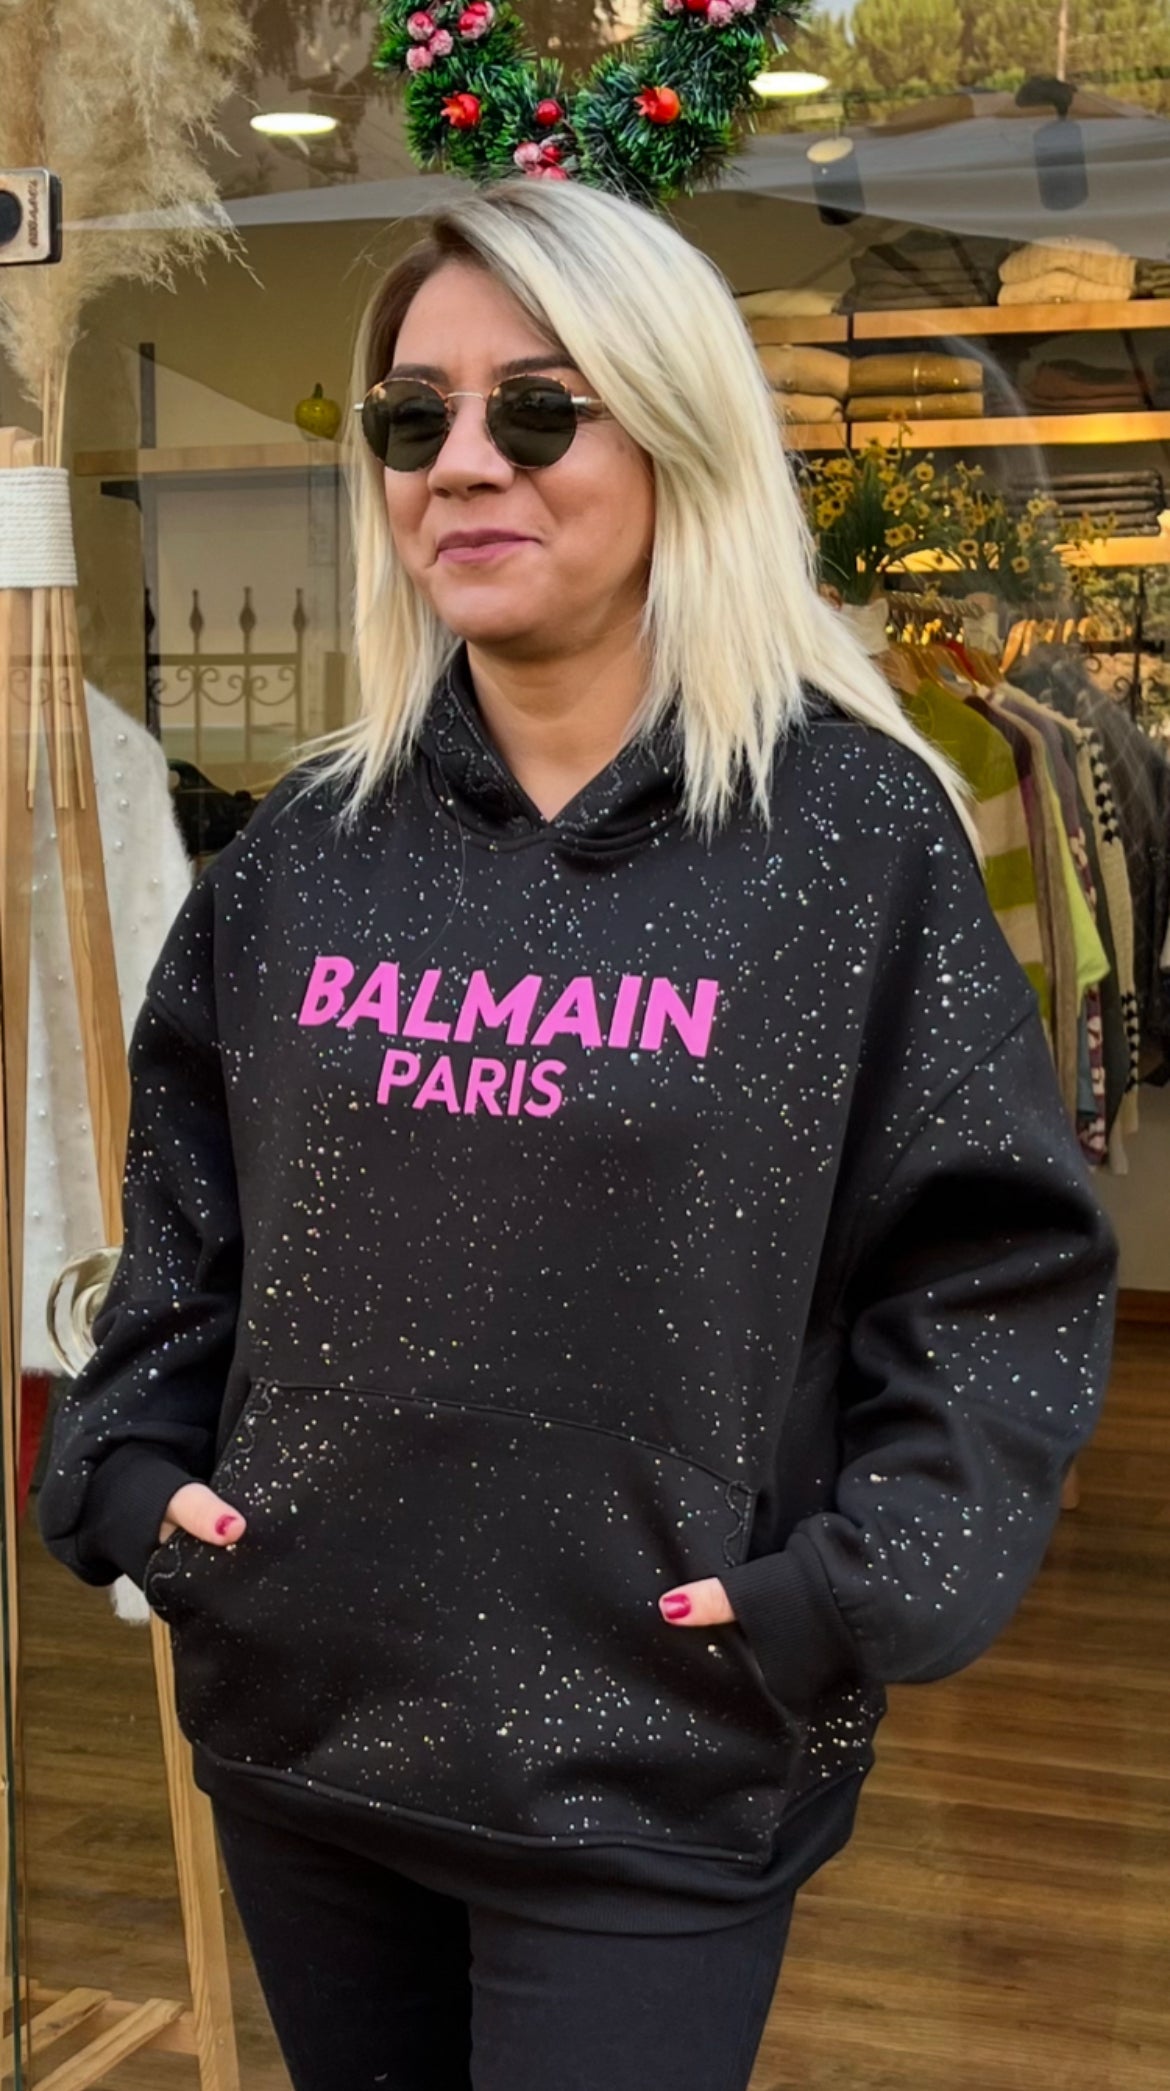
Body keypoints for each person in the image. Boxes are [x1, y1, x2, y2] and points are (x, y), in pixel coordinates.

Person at [39, 181, 1117, 2091]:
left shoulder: (847, 839)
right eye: (414, 419)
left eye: (537, 410)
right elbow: (188, 1217)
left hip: (657, 1751)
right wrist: (129, 1468)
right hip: (309, 1719)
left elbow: (991, 1272)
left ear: (675, 436)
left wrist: (843, 1592)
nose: (463, 463)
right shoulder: (304, 856)